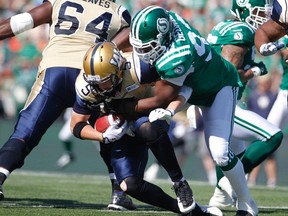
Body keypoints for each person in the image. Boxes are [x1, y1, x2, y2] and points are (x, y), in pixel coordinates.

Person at [0, 0, 137, 211]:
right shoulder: (118, 11)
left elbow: (21, 22)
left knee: (25, 133)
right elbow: (128, 39)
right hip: (90, 76)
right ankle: (119, 193)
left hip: (54, 72)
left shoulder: (60, 1)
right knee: (108, 132)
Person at [128, 5, 259, 216]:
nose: (142, 52)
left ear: (162, 37)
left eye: (148, 47)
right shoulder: (170, 19)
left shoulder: (178, 54)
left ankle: (246, 201)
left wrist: (169, 111)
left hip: (220, 86)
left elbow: (177, 93)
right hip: (199, 83)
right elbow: (188, 85)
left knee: (220, 152)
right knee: (222, 151)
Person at [70, 41, 223, 215]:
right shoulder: (86, 85)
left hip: (150, 115)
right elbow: (76, 124)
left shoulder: (140, 67)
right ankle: (189, 211)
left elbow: (181, 88)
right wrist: (102, 137)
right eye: (95, 82)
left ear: (119, 69)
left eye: (105, 81)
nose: (100, 87)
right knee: (129, 185)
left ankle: (179, 183)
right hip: (123, 128)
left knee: (147, 128)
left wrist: (169, 110)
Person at [206, 0, 283, 208]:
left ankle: (223, 198)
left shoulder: (228, 26)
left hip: (214, 99)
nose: (263, 18)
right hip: (221, 101)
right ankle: (223, 187)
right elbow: (227, 75)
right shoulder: (241, 31)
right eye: (259, 12)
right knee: (273, 136)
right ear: (243, 10)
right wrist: (255, 71)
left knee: (232, 154)